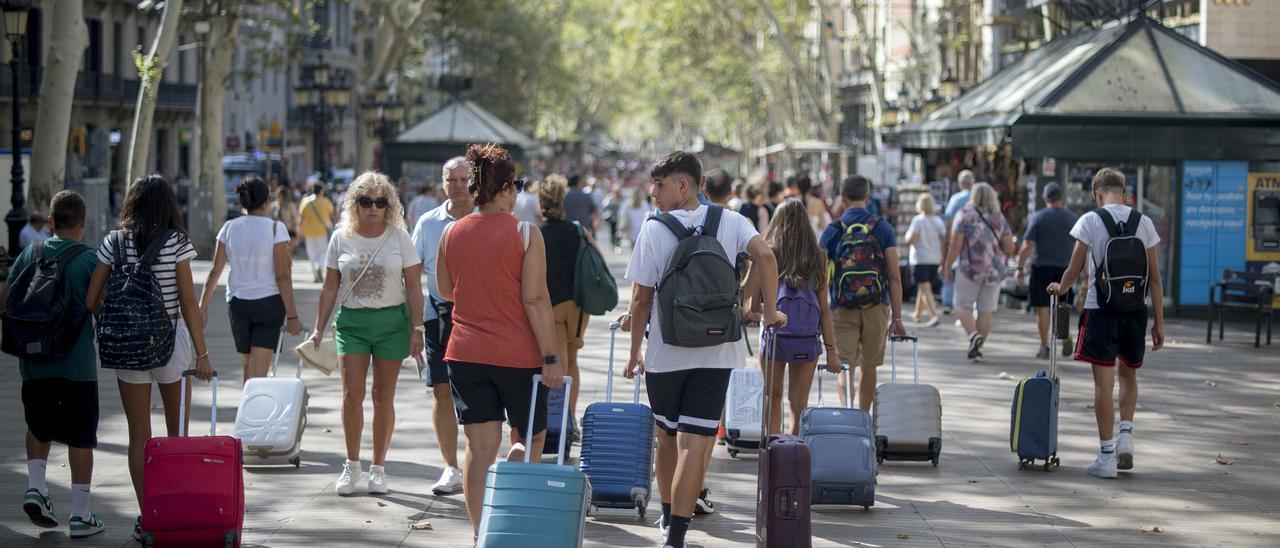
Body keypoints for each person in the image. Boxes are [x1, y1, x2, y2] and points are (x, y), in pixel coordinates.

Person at [623, 151, 785, 548]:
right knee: (696, 442)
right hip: (718, 349)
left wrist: (633, 353)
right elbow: (765, 254)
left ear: (684, 186)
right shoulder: (731, 221)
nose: (653, 193)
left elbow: (642, 299)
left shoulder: (654, 229)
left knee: (666, 435)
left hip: (667, 351)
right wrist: (767, 309)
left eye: (659, 185)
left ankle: (666, 514)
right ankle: (677, 534)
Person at [436, 143, 565, 537]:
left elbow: (445, 290)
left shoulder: (450, 232)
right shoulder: (526, 233)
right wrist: (552, 357)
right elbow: (536, 299)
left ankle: (481, 534)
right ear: (507, 189)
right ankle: (517, 527)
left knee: (478, 448)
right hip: (518, 356)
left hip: (465, 353)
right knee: (533, 433)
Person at [85, 175, 213, 541]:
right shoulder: (177, 242)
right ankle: (176, 510)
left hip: (127, 345)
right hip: (171, 339)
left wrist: (117, 321)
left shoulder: (114, 240)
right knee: (177, 435)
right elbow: (189, 301)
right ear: (168, 204)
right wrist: (202, 354)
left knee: (138, 435)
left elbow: (92, 298)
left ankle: (149, 515)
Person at [309, 171, 424, 496]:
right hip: (352, 324)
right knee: (351, 394)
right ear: (354, 203)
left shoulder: (400, 237)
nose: (373, 208)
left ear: (389, 205)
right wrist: (319, 326)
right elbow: (330, 287)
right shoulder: (340, 237)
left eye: (380, 201)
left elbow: (414, 286)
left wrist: (418, 328)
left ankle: (378, 468)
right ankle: (352, 465)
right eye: (365, 201)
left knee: (383, 396)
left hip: (391, 323)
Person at [0, 191, 105, 538]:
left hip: (34, 364)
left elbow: (6, 298)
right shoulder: (91, 259)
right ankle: (80, 515)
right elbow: (100, 304)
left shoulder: (31, 252)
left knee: (39, 426)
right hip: (77, 367)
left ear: (50, 223)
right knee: (80, 438)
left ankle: (36, 487)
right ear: (83, 223)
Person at [1049, 168, 1164, 480]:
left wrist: (1059, 289)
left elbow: (1073, 270)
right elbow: (1154, 277)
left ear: (1097, 193)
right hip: (1135, 311)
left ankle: (1106, 455)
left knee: (1103, 384)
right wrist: (1159, 323)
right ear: (1125, 193)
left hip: (1100, 309)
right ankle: (1126, 434)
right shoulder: (1145, 223)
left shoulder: (1090, 220)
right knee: (1129, 375)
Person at [199, 176, 304, 381]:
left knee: (248, 369)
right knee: (259, 373)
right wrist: (292, 316)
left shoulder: (229, 228)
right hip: (269, 303)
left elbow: (215, 272)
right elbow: (282, 275)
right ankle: (256, 412)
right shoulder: (276, 229)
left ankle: (247, 411)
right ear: (266, 201)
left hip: (238, 305)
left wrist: (203, 307)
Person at [411, 156, 472, 496]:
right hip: (438, 317)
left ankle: (478, 463)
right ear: (442, 183)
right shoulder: (429, 222)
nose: (459, 186)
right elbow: (412, 274)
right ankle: (451, 467)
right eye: (452, 180)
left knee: (479, 393)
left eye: (465, 180)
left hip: (479, 318)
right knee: (441, 390)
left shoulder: (486, 219)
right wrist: (415, 326)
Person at [820, 175, 908, 410]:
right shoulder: (882, 228)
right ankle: (863, 418)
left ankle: (847, 416)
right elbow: (895, 276)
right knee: (869, 365)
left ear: (843, 197)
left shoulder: (832, 229)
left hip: (841, 307)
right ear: (868, 197)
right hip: (877, 305)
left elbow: (818, 276)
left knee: (845, 366)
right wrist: (897, 318)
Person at [759, 199, 841, 435]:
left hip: (776, 337)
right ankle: (792, 456)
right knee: (798, 405)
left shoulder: (770, 253)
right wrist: (832, 350)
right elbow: (824, 309)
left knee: (772, 398)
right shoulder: (818, 257)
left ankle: (773, 449)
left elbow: (755, 302)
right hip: (806, 340)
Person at [942, 182, 1015, 362]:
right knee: (986, 310)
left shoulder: (964, 215)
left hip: (969, 269)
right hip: (993, 272)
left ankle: (974, 336)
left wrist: (947, 266)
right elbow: (1010, 247)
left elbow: (955, 245)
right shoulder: (999, 218)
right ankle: (978, 350)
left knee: (961, 306)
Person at [1016, 182, 1079, 359]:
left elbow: (1027, 245)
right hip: (1065, 269)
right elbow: (1081, 246)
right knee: (1062, 307)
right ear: (1061, 198)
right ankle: (1065, 335)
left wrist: (1020, 267)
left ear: (1045, 198)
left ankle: (1044, 346)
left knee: (1042, 308)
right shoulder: (1072, 218)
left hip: (1041, 268)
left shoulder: (1038, 217)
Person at [906, 193, 946, 327]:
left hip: (920, 258)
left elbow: (910, 239)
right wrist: (943, 259)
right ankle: (917, 314)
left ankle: (934, 315)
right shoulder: (938, 221)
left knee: (925, 287)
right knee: (923, 287)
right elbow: (943, 241)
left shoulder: (918, 220)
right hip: (934, 258)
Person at [940, 170, 975, 314]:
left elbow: (948, 221)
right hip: (975, 242)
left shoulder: (955, 199)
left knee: (952, 267)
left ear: (960, 184)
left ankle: (949, 302)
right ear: (972, 183)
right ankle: (970, 302)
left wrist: (948, 240)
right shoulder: (977, 197)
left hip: (957, 239)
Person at [298, 183, 336, 283]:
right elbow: (332, 216)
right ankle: (318, 266)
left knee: (312, 254)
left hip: (308, 232)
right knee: (323, 252)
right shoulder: (326, 202)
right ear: (321, 191)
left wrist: (300, 232)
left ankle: (315, 273)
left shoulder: (305, 201)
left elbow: (301, 219)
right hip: (322, 231)